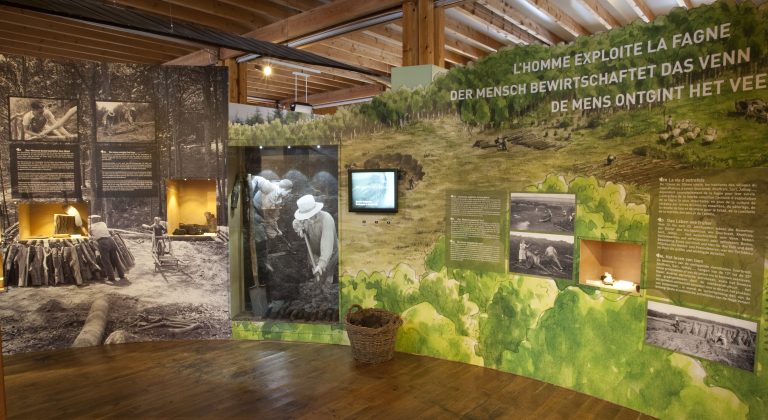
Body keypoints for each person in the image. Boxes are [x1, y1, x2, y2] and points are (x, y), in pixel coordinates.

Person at [248, 174, 293, 287]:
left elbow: (273, 216)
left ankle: (266, 259)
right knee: (260, 238)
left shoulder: (279, 198)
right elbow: (257, 179)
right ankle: (262, 263)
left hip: (265, 217)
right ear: (283, 189)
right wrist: (250, 191)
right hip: (254, 213)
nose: (287, 195)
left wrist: (277, 230)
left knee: (271, 235)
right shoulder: (271, 187)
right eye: (287, 192)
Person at [292, 194, 338, 285]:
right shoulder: (305, 219)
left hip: (330, 253)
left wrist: (321, 265)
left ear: (316, 211)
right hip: (314, 252)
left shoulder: (326, 219)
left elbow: (327, 245)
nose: (308, 219)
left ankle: (328, 290)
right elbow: (295, 222)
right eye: (305, 217)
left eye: (310, 216)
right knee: (316, 275)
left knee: (326, 275)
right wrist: (299, 229)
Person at [88, 215, 128, 284]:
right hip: (111, 240)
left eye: (90, 220)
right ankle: (121, 275)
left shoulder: (90, 227)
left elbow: (89, 236)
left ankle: (111, 277)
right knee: (115, 259)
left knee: (106, 260)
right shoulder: (103, 223)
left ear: (92, 220)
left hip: (102, 242)